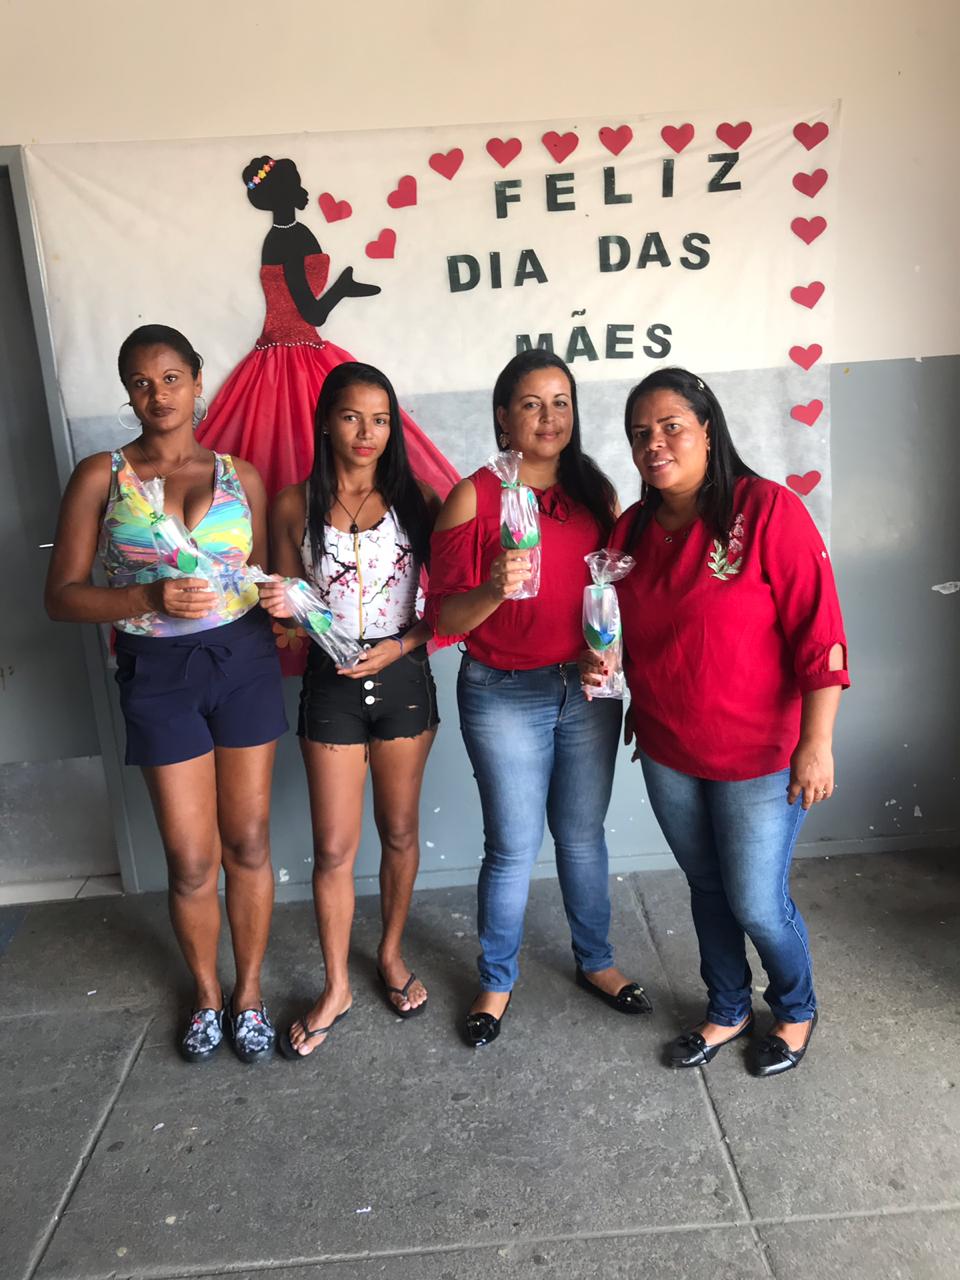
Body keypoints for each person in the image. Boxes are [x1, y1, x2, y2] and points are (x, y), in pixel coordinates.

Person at [585, 367, 848, 1077]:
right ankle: (728, 1008)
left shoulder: (767, 511)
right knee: (706, 887)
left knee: (756, 902)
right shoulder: (632, 530)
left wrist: (817, 743)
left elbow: (819, 634)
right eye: (640, 433)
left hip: (761, 754)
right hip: (669, 748)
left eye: (671, 426)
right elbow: (625, 630)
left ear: (707, 430)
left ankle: (794, 1007)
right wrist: (614, 672)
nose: (655, 443)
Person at [45, 324, 287, 1064]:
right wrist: (145, 597)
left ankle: (249, 995)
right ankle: (206, 995)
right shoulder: (102, 476)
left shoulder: (242, 477)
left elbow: (264, 577)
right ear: (128, 393)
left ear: (197, 381)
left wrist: (287, 602)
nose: (158, 394)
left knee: (249, 842)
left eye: (171, 378)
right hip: (157, 673)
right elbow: (61, 596)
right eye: (142, 383)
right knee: (189, 858)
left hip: (242, 662)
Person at [426, 350, 653, 1049]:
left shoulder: (596, 493)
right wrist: (494, 586)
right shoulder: (473, 497)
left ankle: (597, 961)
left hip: (584, 691)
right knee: (512, 846)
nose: (548, 417)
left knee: (583, 837)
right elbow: (443, 617)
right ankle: (496, 980)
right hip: (502, 693)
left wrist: (611, 654)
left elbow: (614, 596)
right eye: (531, 403)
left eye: (561, 402)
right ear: (503, 416)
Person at [258, 362, 440, 1059]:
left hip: (404, 679)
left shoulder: (418, 500)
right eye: (351, 417)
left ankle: (389, 954)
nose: (367, 432)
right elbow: (288, 611)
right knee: (334, 848)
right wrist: (279, 607)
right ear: (326, 423)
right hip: (329, 683)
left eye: (381, 419)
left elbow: (446, 604)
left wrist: (401, 646)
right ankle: (335, 986)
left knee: (399, 832)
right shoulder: (291, 504)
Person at [196, 156, 458, 505]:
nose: (301, 190)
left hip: (277, 357)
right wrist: (342, 288)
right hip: (290, 356)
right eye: (295, 184)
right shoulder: (290, 238)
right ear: (286, 192)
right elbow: (312, 313)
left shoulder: (284, 235)